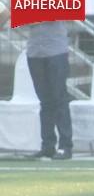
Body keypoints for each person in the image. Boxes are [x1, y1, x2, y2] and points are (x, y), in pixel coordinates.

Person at [25, 21, 73, 160]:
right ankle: (47, 146)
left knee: (60, 99)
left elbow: (56, 13)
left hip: (56, 50)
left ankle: (65, 146)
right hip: (34, 52)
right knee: (45, 101)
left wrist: (31, 16)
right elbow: (17, 17)